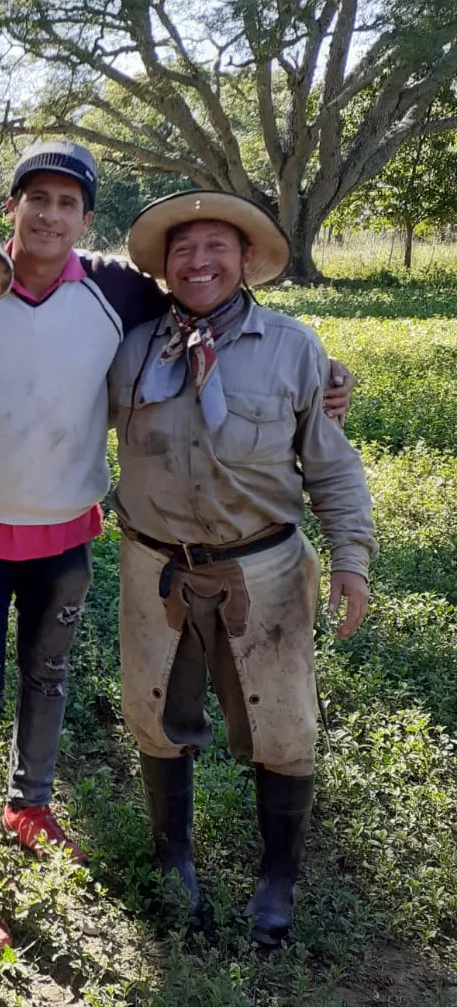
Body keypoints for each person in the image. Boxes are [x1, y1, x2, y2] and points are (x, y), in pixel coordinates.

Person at [0, 142, 355, 954]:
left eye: (67, 203)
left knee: (66, 680)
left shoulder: (147, 303)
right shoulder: (16, 299)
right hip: (24, 544)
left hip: (116, 543)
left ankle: (47, 808)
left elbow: (306, 427)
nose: (49, 215)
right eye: (36, 199)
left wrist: (329, 384)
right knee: (0, 698)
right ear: (12, 208)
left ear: (85, 219)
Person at [109, 189, 376, 947]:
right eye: (182, 249)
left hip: (264, 572)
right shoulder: (129, 349)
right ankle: (173, 861)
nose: (198, 262)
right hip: (152, 569)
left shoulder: (296, 349)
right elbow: (54, 415)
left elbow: (331, 468)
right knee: (156, 718)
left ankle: (278, 878)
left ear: (246, 259)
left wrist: (350, 561)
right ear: (163, 266)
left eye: (214, 247)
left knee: (283, 724)